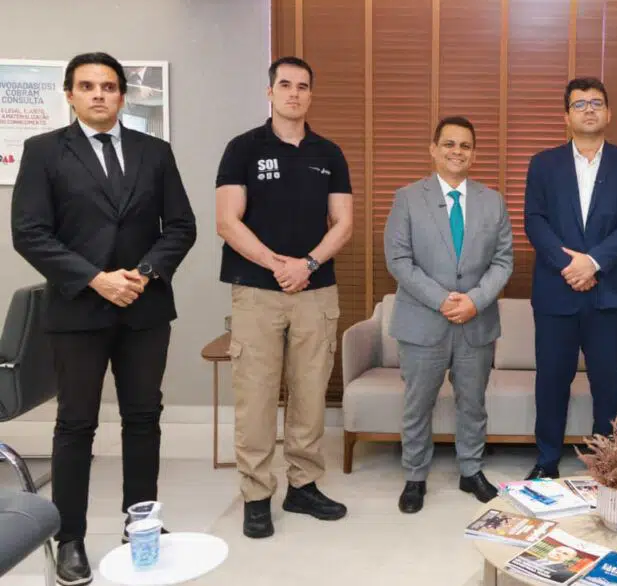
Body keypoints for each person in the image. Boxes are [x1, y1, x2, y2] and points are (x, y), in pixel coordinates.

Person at [11, 52, 196, 586]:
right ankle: (69, 537)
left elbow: (180, 226)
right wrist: (96, 279)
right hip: (78, 309)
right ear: (69, 94)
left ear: (122, 95)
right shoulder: (44, 151)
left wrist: (144, 273)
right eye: (88, 86)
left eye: (109, 86)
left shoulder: (154, 152)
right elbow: (30, 233)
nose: (99, 94)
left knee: (144, 418)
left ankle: (141, 524)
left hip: (144, 306)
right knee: (76, 424)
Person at [215, 56, 354, 539]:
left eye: (303, 86)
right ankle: (256, 495)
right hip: (257, 292)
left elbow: (343, 223)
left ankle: (303, 485)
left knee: (310, 393)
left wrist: (307, 264)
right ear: (270, 92)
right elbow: (227, 221)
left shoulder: (329, 153)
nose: (294, 93)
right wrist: (277, 264)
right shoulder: (242, 148)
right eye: (286, 84)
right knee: (255, 396)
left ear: (311, 94)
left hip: (316, 291)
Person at [383, 116, 513, 513]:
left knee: (473, 403)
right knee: (417, 404)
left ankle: (471, 470)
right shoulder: (407, 198)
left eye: (465, 146)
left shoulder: (493, 201)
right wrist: (442, 300)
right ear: (434, 150)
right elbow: (398, 259)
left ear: (474, 154)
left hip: (476, 321)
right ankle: (415, 476)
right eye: (449, 144)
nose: (457, 151)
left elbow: (503, 261)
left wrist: (475, 300)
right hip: (423, 321)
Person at [523, 77, 617, 480]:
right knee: (551, 382)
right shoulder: (543, 164)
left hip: (609, 293)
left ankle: (609, 465)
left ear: (609, 113)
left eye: (596, 103)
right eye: (579, 104)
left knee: (608, 385)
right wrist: (572, 266)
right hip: (555, 291)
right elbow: (534, 221)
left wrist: (593, 263)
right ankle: (546, 461)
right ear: (566, 116)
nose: (588, 109)